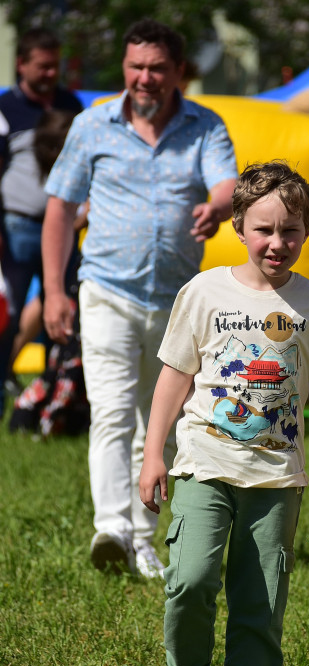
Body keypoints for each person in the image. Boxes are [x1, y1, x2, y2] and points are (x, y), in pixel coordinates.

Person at [139, 161, 309, 666]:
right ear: (238, 225)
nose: (277, 242)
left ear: (308, 231)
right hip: (202, 465)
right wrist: (152, 454)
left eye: (290, 230)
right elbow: (174, 376)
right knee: (189, 580)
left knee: (260, 605)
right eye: (264, 229)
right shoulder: (205, 292)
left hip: (276, 480)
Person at [42, 18, 238, 579]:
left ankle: (143, 539)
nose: (144, 79)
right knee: (111, 412)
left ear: (178, 72)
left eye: (156, 69)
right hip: (106, 288)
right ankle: (112, 529)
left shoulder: (205, 125)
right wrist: (55, 290)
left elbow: (225, 182)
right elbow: (60, 207)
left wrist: (218, 206)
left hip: (177, 302)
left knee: (162, 421)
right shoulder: (92, 125)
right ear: (124, 69)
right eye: (135, 67)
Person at [0, 27, 83, 417]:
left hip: (66, 228)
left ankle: (52, 394)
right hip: (18, 227)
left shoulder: (70, 103)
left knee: (63, 310)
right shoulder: (7, 108)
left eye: (56, 66)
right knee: (12, 312)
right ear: (22, 64)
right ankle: (4, 384)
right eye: (43, 66)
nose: (51, 73)